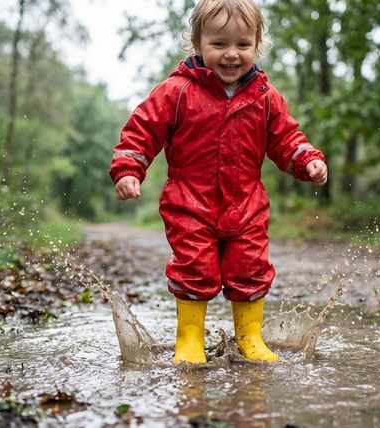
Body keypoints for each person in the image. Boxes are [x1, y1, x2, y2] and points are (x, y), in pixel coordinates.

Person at [110, 0, 327, 364]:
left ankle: (250, 339)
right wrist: (129, 169)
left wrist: (308, 160)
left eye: (242, 45)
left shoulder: (265, 97)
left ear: (256, 45)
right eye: (219, 44)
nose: (231, 54)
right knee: (194, 267)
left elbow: (286, 137)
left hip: (246, 204)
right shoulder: (175, 91)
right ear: (197, 43)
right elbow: (141, 131)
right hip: (188, 202)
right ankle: (190, 339)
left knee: (250, 266)